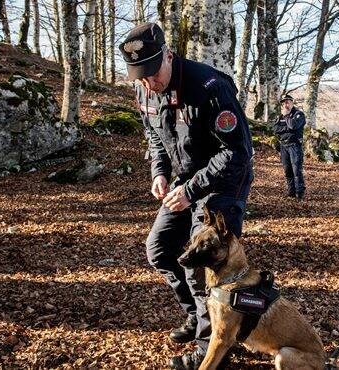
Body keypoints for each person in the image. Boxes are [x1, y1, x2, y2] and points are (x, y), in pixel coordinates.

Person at [118, 23, 254, 369]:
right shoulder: (144, 90)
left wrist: (191, 190)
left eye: (152, 73)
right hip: (183, 180)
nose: (149, 83)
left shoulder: (209, 87)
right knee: (159, 249)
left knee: (201, 266)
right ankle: (198, 315)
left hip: (223, 184)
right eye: (140, 76)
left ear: (168, 55)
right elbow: (154, 137)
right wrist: (159, 172)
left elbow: (237, 152)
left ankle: (211, 350)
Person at [273, 94, 306, 200]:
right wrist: (286, 128)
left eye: (287, 102)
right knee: (287, 170)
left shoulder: (299, 114)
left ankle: (299, 193)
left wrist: (287, 117)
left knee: (296, 170)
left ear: (292, 102)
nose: (285, 104)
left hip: (294, 146)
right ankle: (291, 192)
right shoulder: (280, 116)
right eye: (284, 102)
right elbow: (275, 129)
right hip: (283, 146)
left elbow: (293, 126)